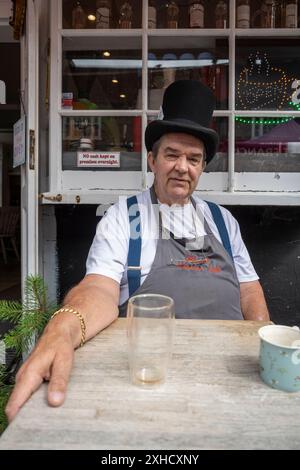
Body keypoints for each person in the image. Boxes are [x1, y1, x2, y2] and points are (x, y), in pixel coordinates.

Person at [6, 80, 269, 422]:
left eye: (194, 158)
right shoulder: (123, 217)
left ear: (202, 167)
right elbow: (98, 288)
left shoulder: (223, 221)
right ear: (151, 159)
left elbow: (249, 290)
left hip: (230, 375)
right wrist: (63, 328)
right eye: (172, 154)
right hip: (149, 377)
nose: (182, 167)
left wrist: (263, 344)